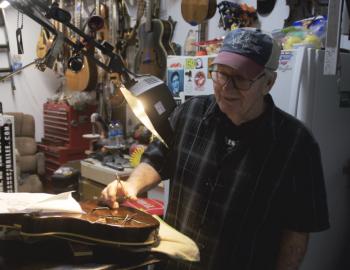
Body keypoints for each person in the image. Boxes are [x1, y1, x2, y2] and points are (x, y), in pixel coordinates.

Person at [101, 28, 329, 270]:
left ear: (268, 83)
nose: (226, 87)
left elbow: (296, 232)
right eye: (221, 73)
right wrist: (131, 185)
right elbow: (157, 159)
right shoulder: (189, 113)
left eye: (240, 78)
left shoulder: (296, 144)